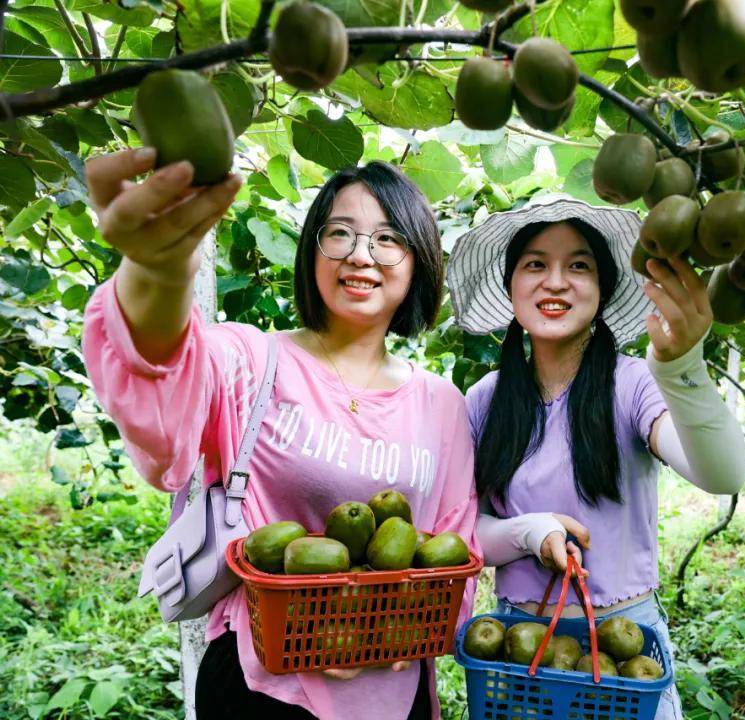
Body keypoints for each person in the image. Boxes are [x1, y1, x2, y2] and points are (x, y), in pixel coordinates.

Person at [81, 148, 478, 720]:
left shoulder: (442, 404)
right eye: (339, 233)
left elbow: (453, 547)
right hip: (261, 684)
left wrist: (401, 632)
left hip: (392, 691)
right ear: (312, 250)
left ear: (418, 261)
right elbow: (162, 394)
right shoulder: (250, 359)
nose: (361, 255)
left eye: (388, 239)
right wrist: (158, 277)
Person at [446, 195, 745, 720]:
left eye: (578, 265)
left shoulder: (631, 384)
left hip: (624, 654)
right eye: (536, 264)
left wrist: (683, 369)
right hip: (518, 652)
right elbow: (458, 532)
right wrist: (528, 532)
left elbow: (722, 474)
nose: (556, 281)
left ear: (602, 289)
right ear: (511, 284)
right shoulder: (484, 401)